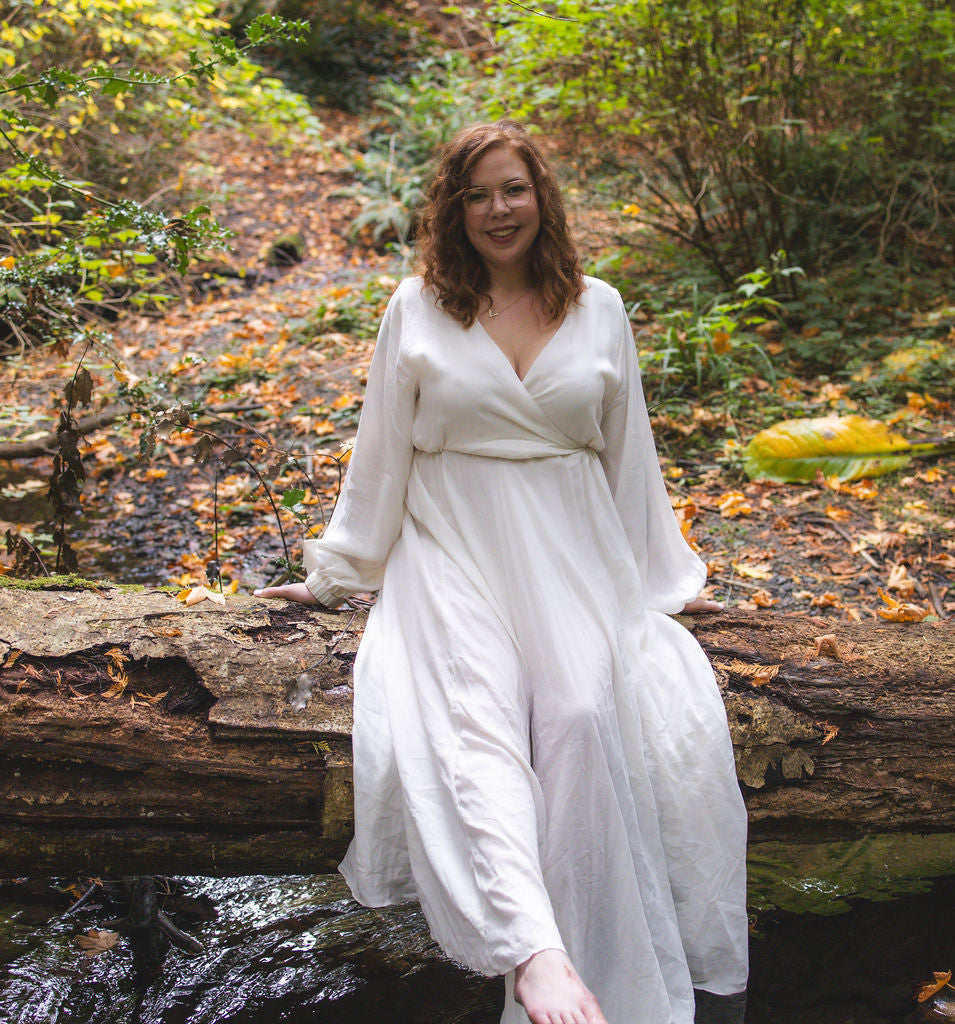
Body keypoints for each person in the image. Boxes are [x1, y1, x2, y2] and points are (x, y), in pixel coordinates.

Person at [255, 120, 749, 1024]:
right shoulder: (417, 306)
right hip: (452, 547)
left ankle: (608, 969)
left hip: (571, 555)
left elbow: (629, 459)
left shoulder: (598, 305)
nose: (497, 209)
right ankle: (537, 952)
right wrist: (339, 572)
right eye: (476, 194)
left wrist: (664, 580)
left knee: (581, 714)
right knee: (472, 719)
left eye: (512, 189)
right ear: (452, 209)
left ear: (541, 198)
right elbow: (381, 456)